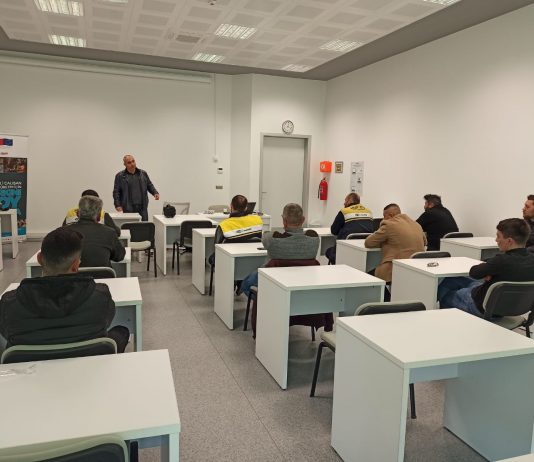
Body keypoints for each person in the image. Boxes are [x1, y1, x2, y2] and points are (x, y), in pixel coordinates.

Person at [0, 227, 130, 352]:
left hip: (31, 364)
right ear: (76, 265)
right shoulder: (100, 296)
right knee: (121, 332)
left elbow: (5, 332)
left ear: (39, 259)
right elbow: (106, 321)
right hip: (87, 362)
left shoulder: (9, 303)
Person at [438, 218, 534, 317]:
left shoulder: (501, 261)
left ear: (509, 241)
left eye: (498, 236)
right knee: (453, 280)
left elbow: (474, 272)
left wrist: (489, 270)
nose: (496, 240)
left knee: (446, 294)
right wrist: (491, 270)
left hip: (482, 307)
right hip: (513, 307)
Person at [240, 203, 319, 296]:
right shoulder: (314, 238)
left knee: (246, 284)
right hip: (304, 284)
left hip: (273, 284)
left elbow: (265, 236)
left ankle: (264, 302)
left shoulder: (273, 238)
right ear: (303, 220)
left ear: (284, 221)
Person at [364, 203, 426, 283]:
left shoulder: (389, 224)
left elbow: (368, 243)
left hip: (395, 268)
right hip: (416, 269)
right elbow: (425, 242)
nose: (383, 218)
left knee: (366, 277)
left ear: (390, 215)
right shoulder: (416, 224)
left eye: (384, 216)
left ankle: (385, 292)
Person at [70, 195, 125, 268]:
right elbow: (119, 257)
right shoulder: (109, 233)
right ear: (99, 216)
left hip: (73, 275)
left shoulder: (62, 233)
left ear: (77, 214)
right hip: (103, 275)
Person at [325, 192, 373, 264]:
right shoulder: (369, 212)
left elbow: (334, 231)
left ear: (349, 200)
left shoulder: (344, 211)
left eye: (345, 200)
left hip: (345, 249)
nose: (344, 203)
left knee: (328, 251)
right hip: (362, 251)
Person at [113, 154, 159, 221]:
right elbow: (116, 192)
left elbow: (149, 185)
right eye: (129, 163)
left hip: (142, 207)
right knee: (130, 226)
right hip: (128, 208)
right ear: (124, 164)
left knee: (144, 226)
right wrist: (117, 205)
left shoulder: (143, 174)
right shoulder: (119, 176)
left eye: (133, 161)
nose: (132, 164)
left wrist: (155, 193)